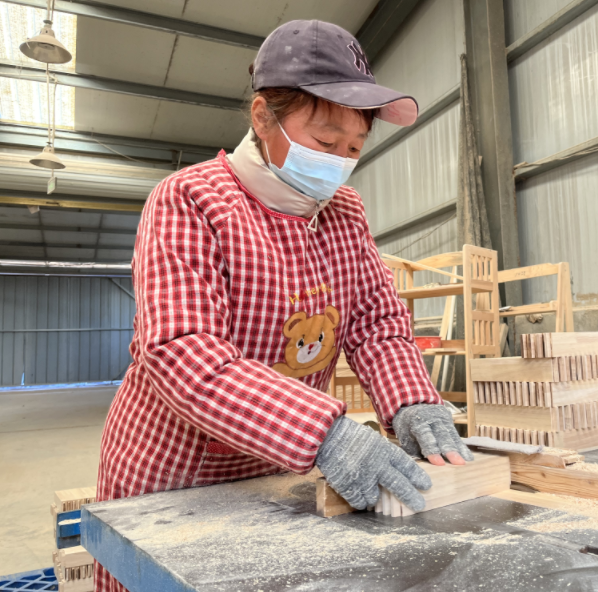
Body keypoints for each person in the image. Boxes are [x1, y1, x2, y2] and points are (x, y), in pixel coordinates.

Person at [95, 19, 472, 591]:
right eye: (325, 142)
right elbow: (182, 351)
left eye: (354, 148)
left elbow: (375, 323)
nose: (340, 161)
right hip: (177, 477)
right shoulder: (191, 199)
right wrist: (325, 434)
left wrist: (413, 402)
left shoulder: (344, 212)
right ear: (263, 117)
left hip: (280, 470)